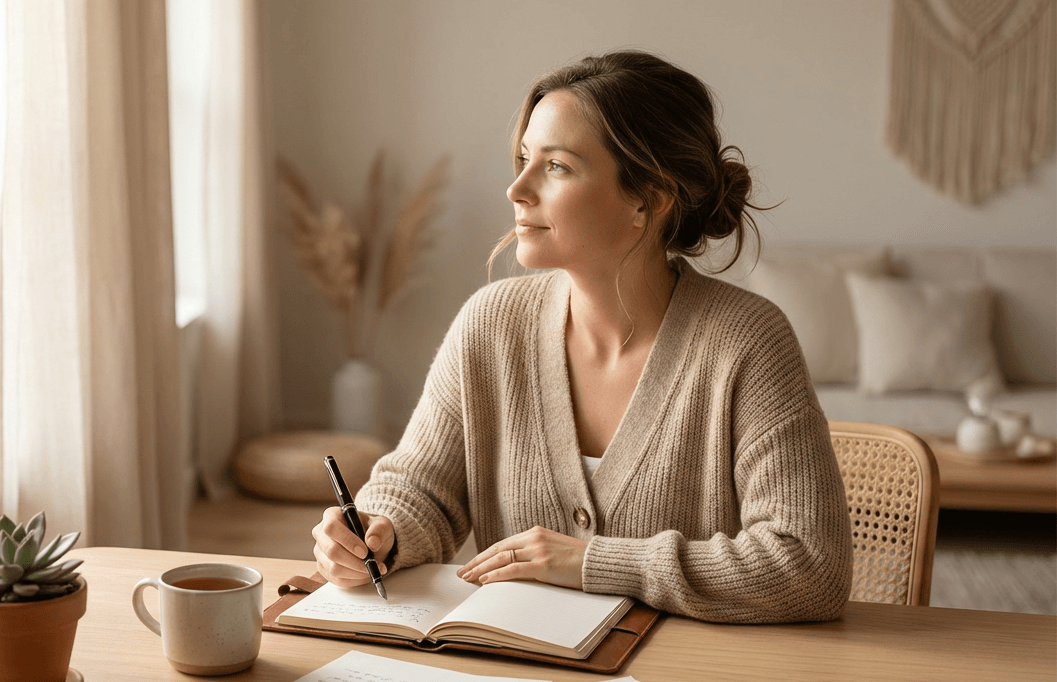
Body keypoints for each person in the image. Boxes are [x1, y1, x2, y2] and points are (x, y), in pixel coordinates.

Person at [311, 50, 852, 624]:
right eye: (523, 159)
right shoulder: (489, 325)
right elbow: (420, 489)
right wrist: (378, 530)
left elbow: (810, 564)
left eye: (557, 167)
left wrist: (596, 562)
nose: (517, 189)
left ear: (647, 200)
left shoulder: (747, 343)